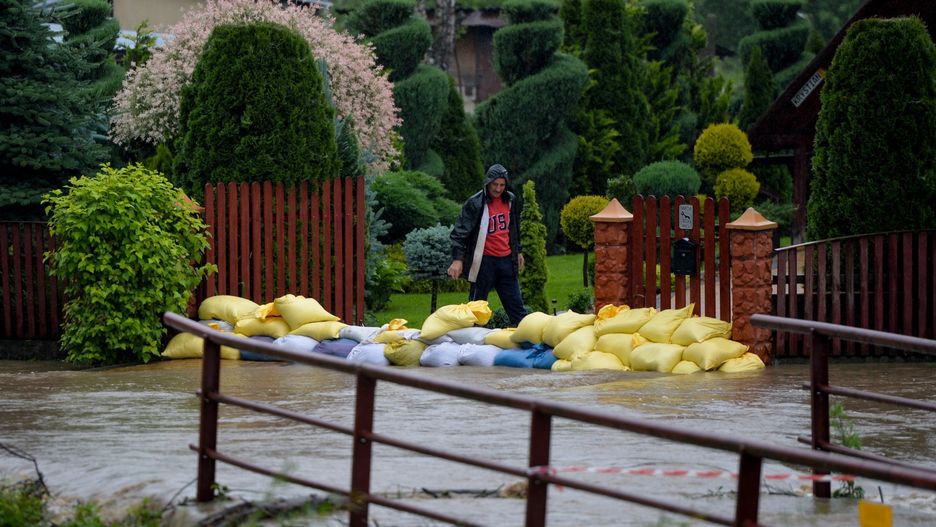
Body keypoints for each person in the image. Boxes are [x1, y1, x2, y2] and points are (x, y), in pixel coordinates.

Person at [447, 164, 527, 325]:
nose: (498, 189)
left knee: (517, 309)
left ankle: (528, 344)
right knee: (476, 310)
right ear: (488, 183)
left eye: (502, 185)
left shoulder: (511, 200)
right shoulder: (475, 203)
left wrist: (517, 251)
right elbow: (459, 233)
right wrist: (457, 259)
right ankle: (472, 347)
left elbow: (514, 228)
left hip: (506, 262)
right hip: (483, 262)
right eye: (495, 184)